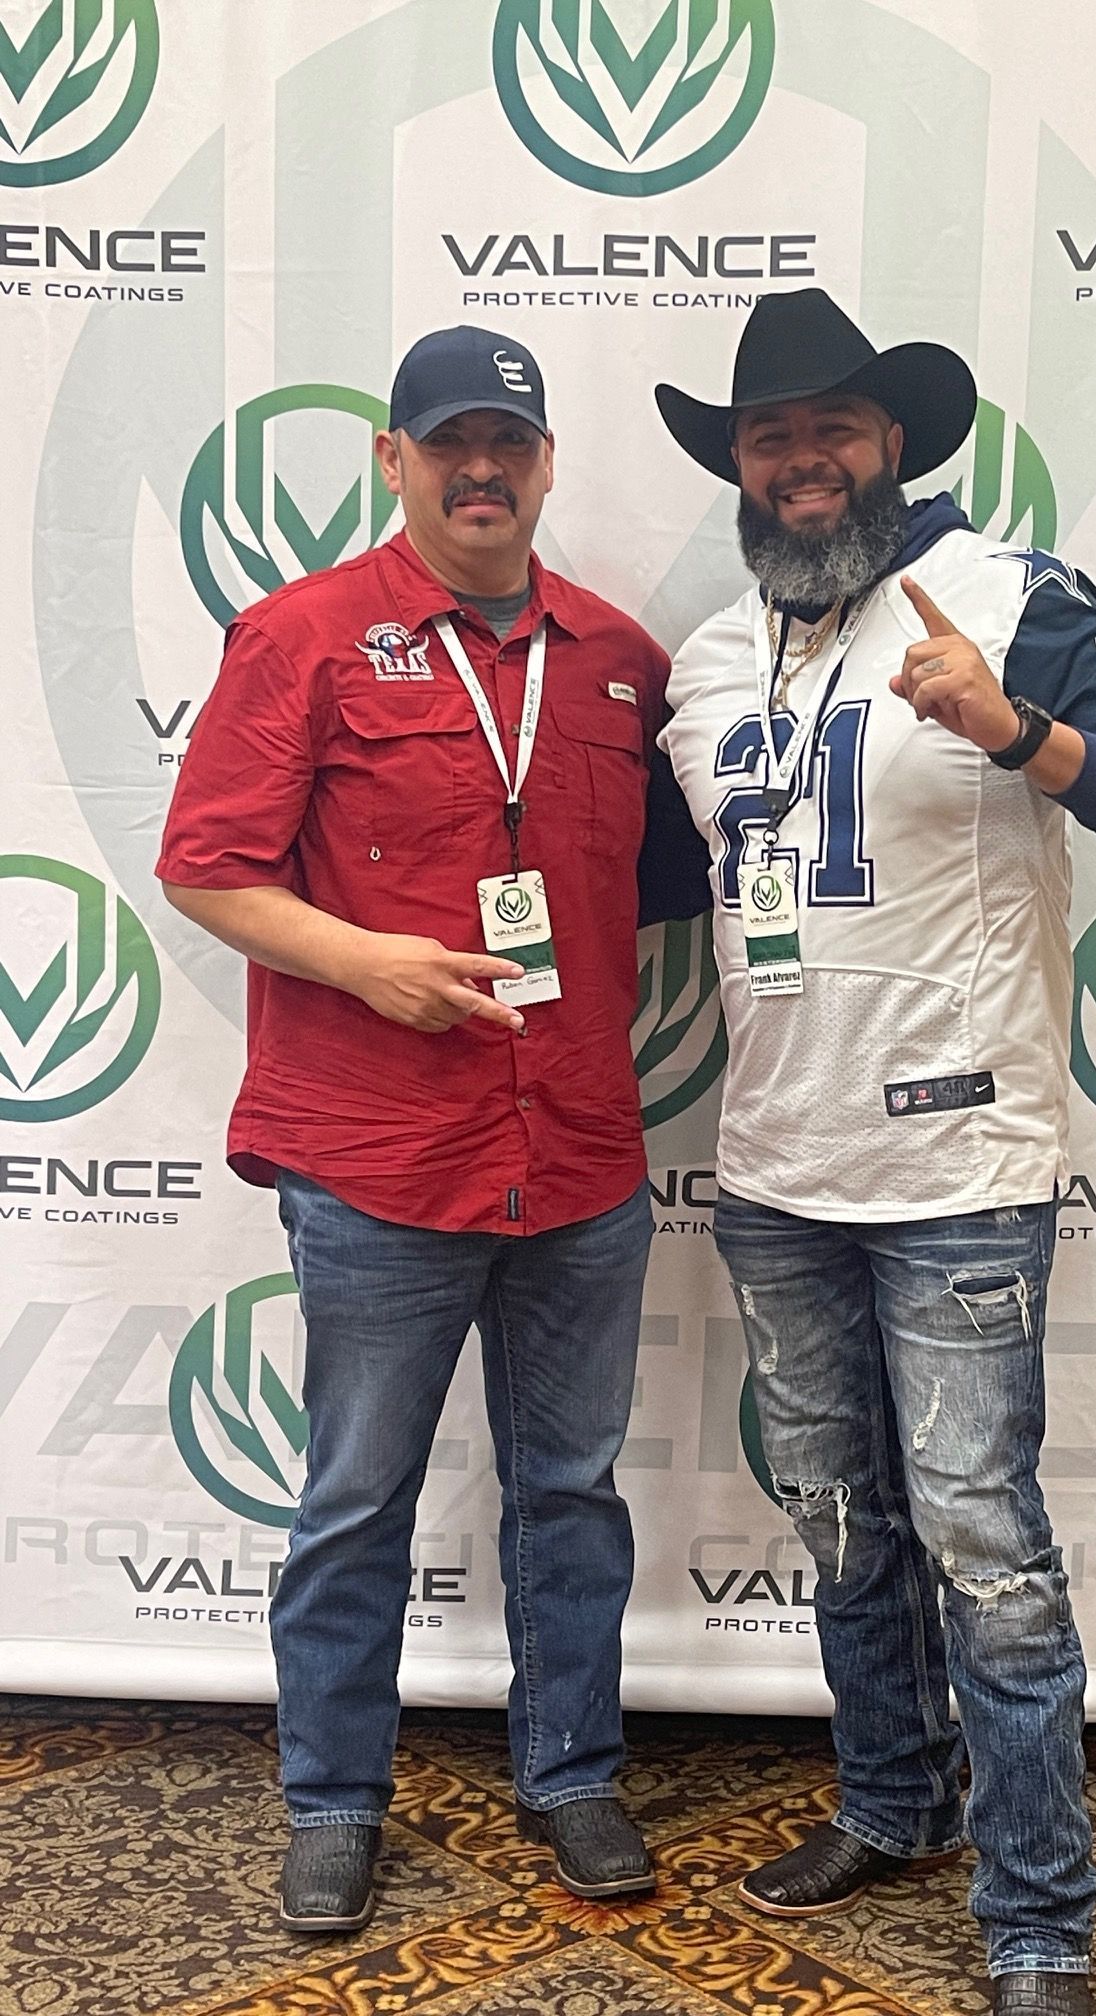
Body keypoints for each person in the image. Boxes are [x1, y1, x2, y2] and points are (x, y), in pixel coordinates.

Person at [654, 287, 1096, 2015]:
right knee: (840, 1519)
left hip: (961, 1170)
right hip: (776, 1167)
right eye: (771, 436)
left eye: (832, 427)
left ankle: (1039, 1912)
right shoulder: (707, 660)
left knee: (985, 1542)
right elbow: (659, 882)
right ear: (740, 469)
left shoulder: (1012, 595)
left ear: (892, 442)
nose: (802, 460)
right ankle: (891, 1803)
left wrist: (1012, 731)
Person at [157, 325, 706, 1934]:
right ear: (393, 461)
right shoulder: (303, 636)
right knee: (354, 1502)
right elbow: (206, 866)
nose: (482, 471)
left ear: (546, 466)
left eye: (509, 445)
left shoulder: (618, 659)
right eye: (449, 443)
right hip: (378, 1159)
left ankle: (572, 1774)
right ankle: (332, 1799)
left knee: (571, 1490)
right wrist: (364, 961)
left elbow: (652, 890)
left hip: (581, 1155)